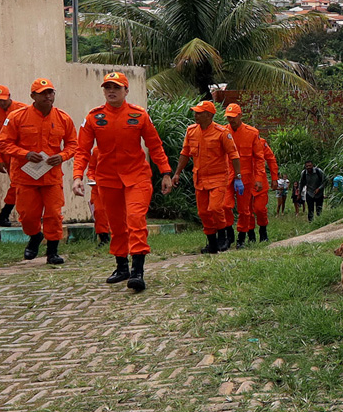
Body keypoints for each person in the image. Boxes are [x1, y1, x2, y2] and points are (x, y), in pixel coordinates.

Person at [73, 72, 173, 291]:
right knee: (117, 225)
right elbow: (82, 150)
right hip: (108, 179)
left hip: (137, 177)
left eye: (116, 87)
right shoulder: (93, 117)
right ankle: (122, 267)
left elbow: (154, 145)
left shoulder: (139, 115)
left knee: (135, 219)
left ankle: (138, 270)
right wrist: (77, 176)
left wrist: (165, 172)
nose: (111, 91)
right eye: (107, 87)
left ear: (126, 91)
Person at [0, 78, 78, 264]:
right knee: (27, 215)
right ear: (33, 96)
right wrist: (24, 154)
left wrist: (63, 156)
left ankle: (52, 252)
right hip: (26, 177)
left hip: (51, 177)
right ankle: (34, 236)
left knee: (54, 214)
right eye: (43, 93)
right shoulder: (18, 117)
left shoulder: (63, 118)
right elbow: (3, 142)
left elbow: (73, 144)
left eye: (50, 92)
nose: (48, 96)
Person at [172, 101, 241, 254]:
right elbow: (185, 153)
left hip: (218, 177)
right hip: (200, 178)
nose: (195, 115)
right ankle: (212, 243)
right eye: (195, 112)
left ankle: (223, 238)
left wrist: (238, 177)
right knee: (203, 212)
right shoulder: (191, 131)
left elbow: (234, 155)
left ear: (209, 115)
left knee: (216, 208)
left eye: (199, 113)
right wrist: (177, 173)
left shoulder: (221, 132)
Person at [222, 103, 265, 249]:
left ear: (240, 116)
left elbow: (259, 158)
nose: (231, 120)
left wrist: (259, 179)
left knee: (244, 210)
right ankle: (229, 235)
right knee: (225, 205)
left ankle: (241, 237)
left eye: (233, 117)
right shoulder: (223, 131)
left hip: (246, 177)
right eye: (228, 117)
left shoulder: (252, 133)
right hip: (227, 175)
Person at [0, 85, 27, 226]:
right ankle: (8, 216)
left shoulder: (23, 110)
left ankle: (5, 215)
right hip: (7, 157)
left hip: (24, 156)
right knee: (18, 186)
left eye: (4, 99)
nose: (2, 103)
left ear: (10, 96)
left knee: (18, 186)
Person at [87, 146, 110, 247]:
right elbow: (91, 168)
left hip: (116, 185)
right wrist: (91, 178)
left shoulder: (122, 148)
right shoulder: (97, 150)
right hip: (98, 187)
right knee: (99, 212)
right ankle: (103, 239)